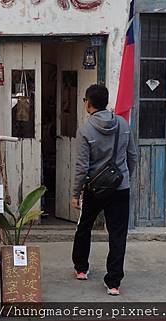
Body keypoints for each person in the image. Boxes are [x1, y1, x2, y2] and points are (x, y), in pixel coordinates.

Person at [71, 84, 137, 296]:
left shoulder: (85, 130)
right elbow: (132, 156)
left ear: (88, 103)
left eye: (84, 100)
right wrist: (125, 176)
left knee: (85, 226)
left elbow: (82, 166)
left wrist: (75, 193)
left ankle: (81, 268)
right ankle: (114, 282)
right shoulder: (123, 124)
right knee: (117, 233)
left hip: (95, 188)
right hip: (120, 187)